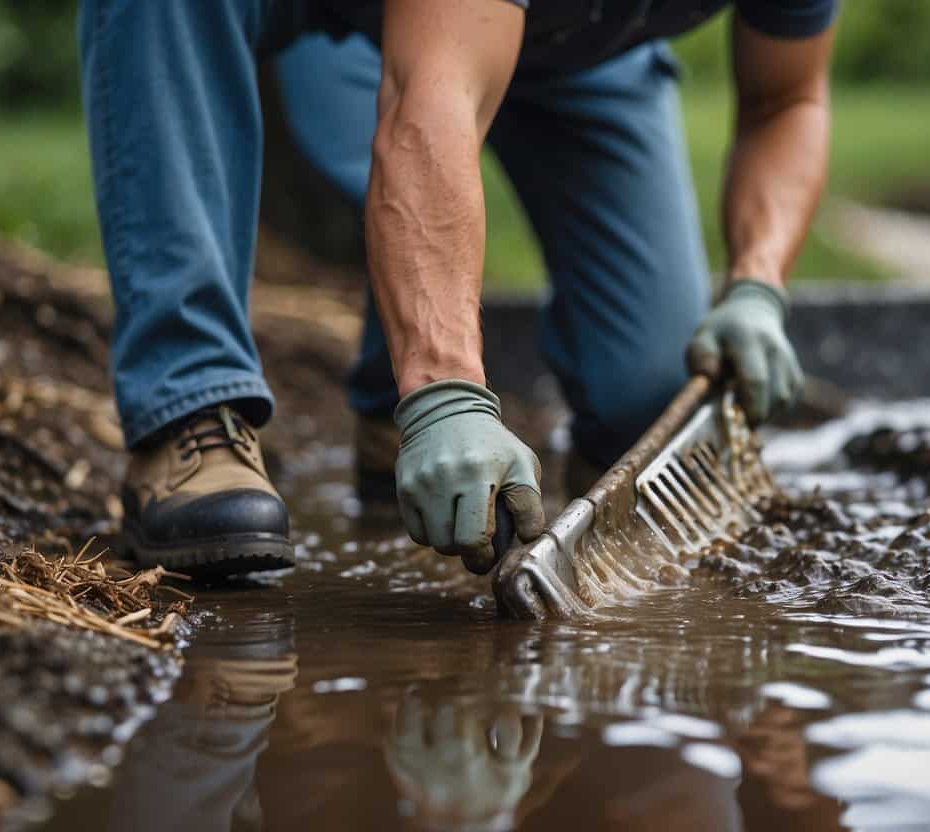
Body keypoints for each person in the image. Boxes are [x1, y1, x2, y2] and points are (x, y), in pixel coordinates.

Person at [79, 0, 836, 578]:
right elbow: (430, 103)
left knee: (646, 401)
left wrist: (756, 285)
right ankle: (190, 408)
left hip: (586, 57)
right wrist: (444, 394)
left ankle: (388, 412)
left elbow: (787, 99)